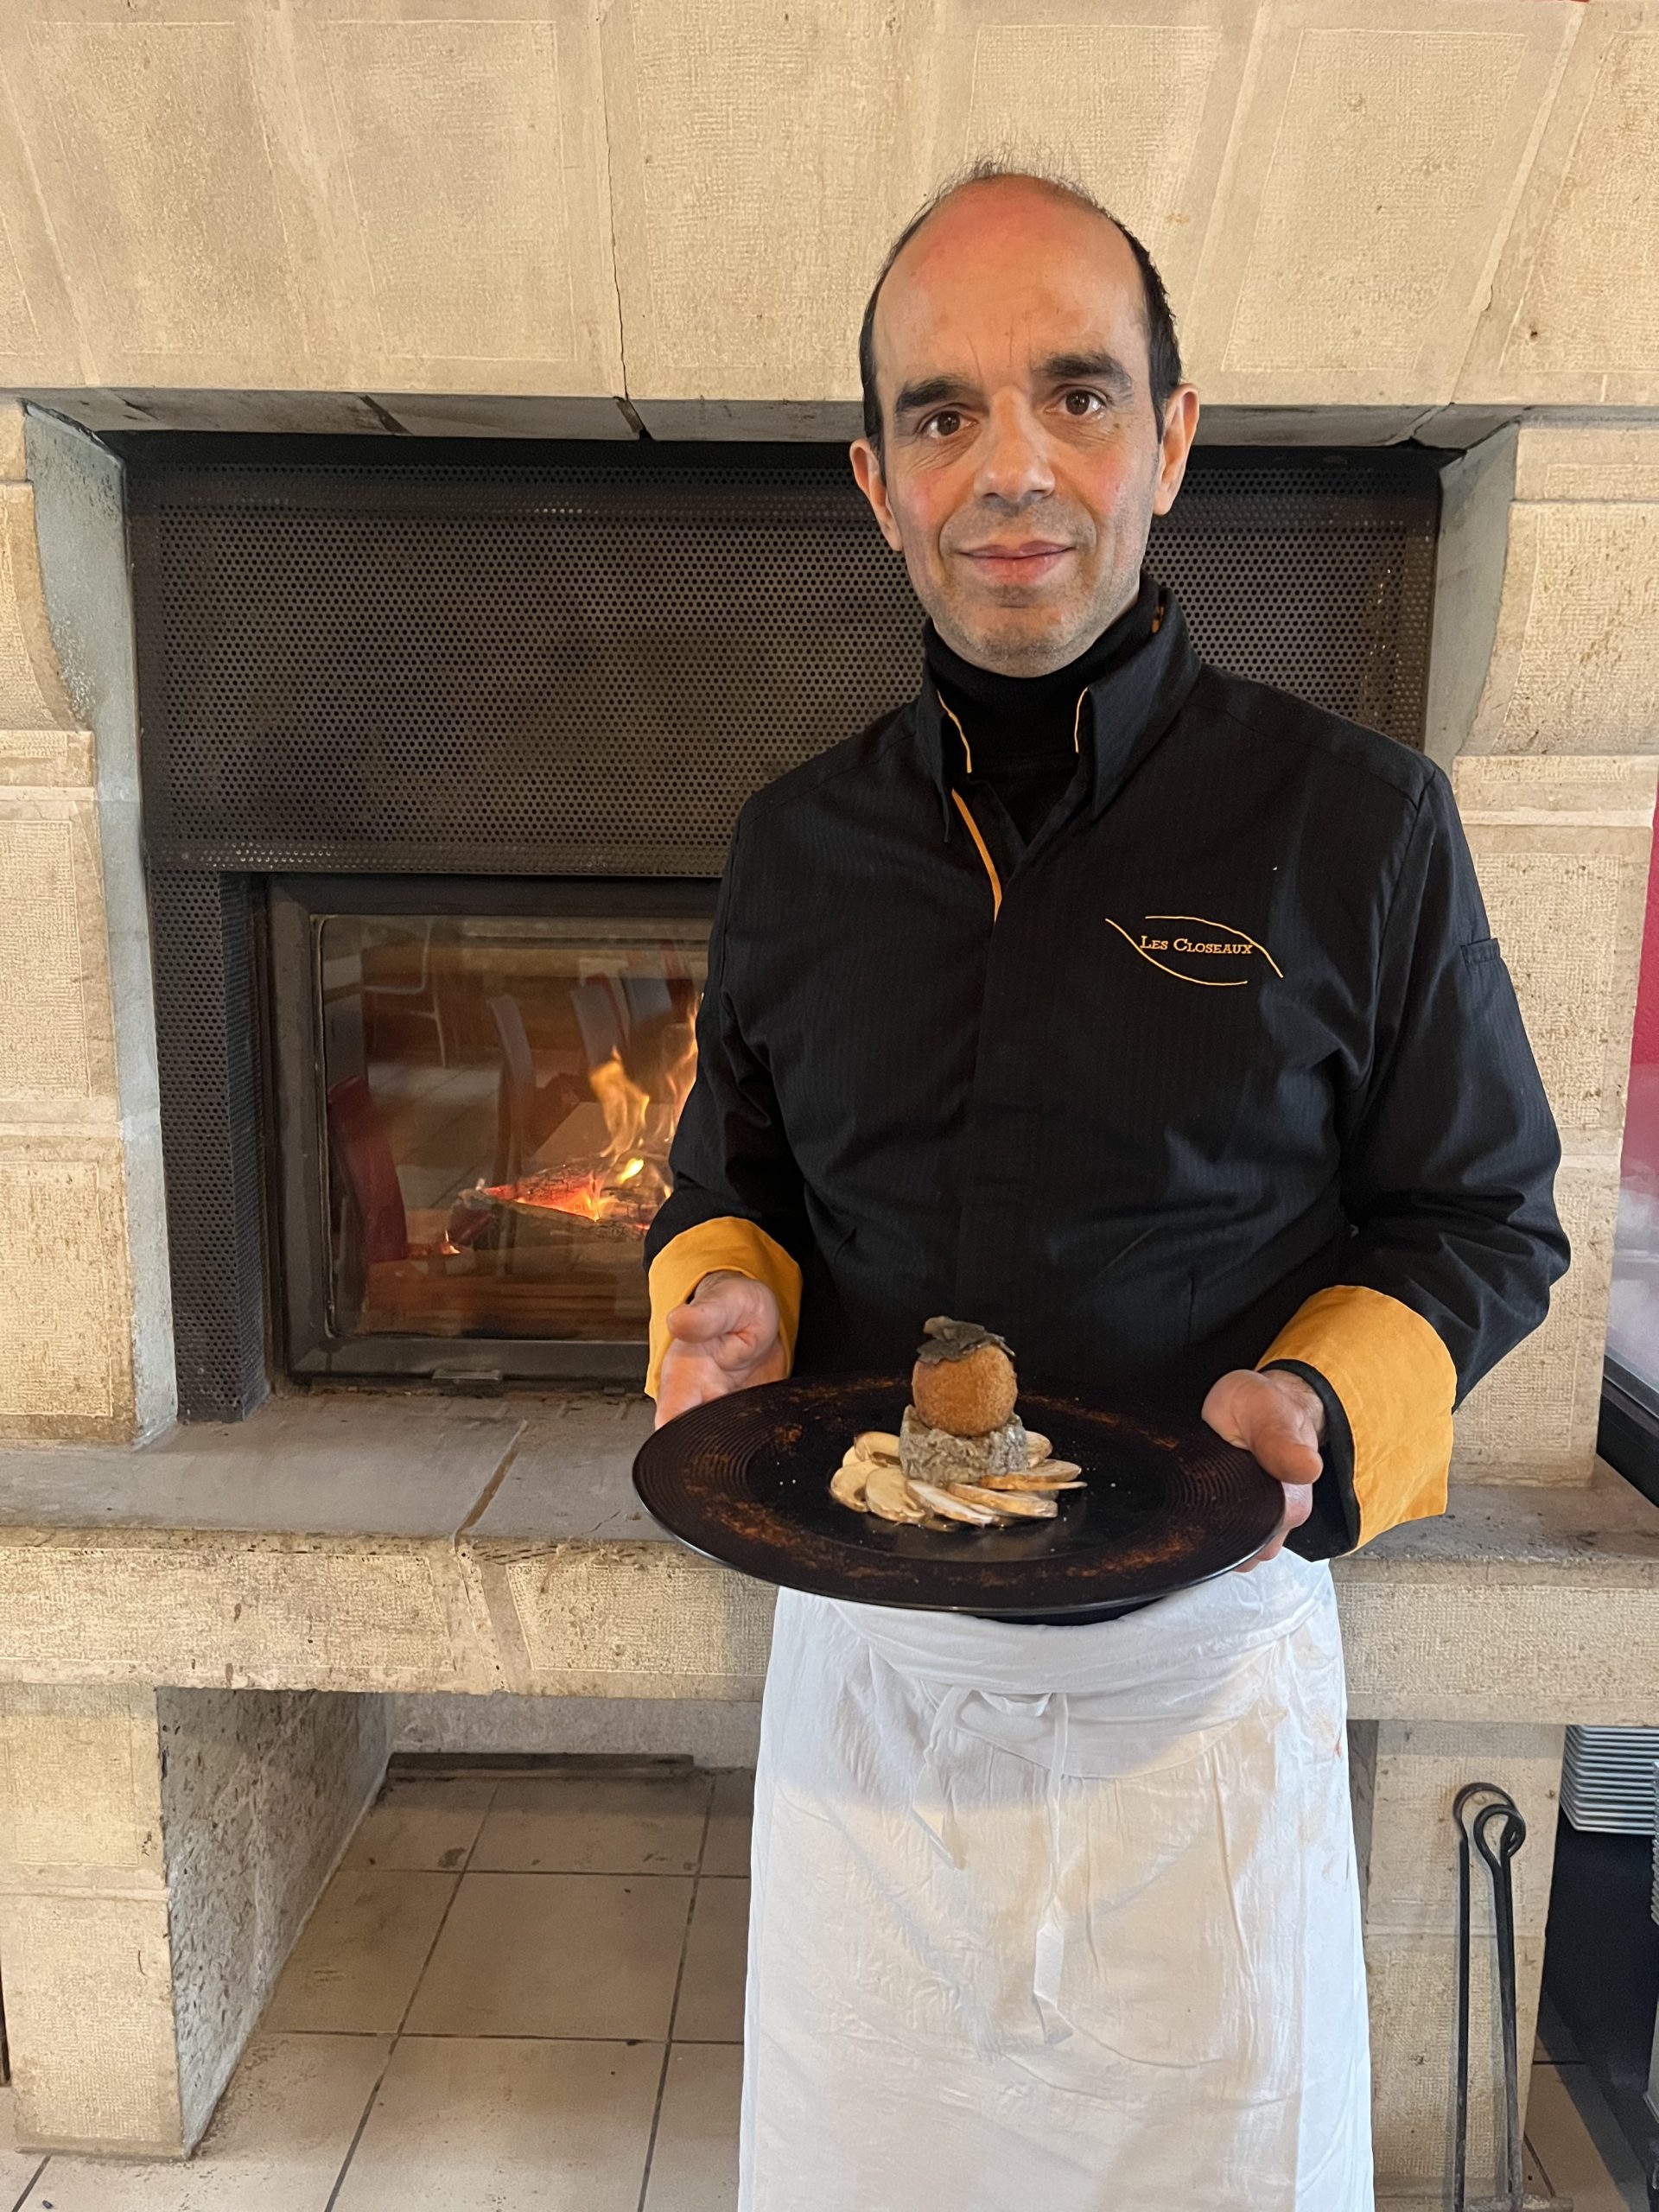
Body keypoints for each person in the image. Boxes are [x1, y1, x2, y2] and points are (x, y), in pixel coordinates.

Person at [642, 162, 1567, 2212]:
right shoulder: (796, 844)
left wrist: (1316, 1407)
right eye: (941, 413)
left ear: (1173, 436)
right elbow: (738, 1180)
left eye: (1076, 393)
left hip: (1195, 1684)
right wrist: (724, 1303)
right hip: (872, 1665)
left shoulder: (1357, 820)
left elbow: (1484, 1210)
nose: (1012, 469)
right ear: (875, 478)